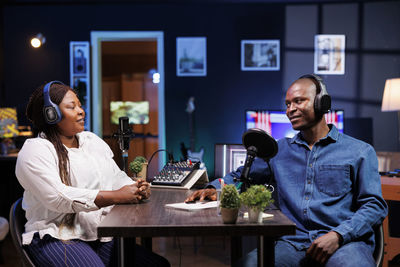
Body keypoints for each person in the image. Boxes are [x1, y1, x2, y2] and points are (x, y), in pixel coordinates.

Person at [185, 74, 388, 267]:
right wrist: (214, 188)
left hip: (344, 244)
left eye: (299, 101)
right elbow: (240, 176)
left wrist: (338, 235)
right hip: (291, 244)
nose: (290, 109)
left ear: (322, 103)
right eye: (288, 104)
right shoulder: (277, 150)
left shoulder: (360, 151)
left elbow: (374, 206)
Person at [15, 81, 170, 267]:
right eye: (72, 107)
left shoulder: (91, 141)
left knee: (158, 265)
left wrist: (135, 187)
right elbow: (57, 197)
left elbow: (115, 178)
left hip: (98, 234)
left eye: (80, 105)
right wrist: (117, 196)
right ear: (51, 114)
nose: (81, 111)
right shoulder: (35, 150)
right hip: (56, 235)